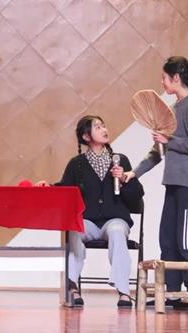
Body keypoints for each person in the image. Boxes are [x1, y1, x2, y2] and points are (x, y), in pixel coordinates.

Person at [124, 56, 188, 310]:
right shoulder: (172, 109)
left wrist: (169, 140)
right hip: (173, 183)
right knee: (168, 238)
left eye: (164, 77)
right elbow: (158, 152)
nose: (162, 82)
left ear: (176, 78)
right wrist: (134, 173)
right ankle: (171, 292)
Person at [37, 115, 143, 308]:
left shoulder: (120, 160)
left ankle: (124, 292)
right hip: (88, 221)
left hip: (114, 219)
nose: (104, 129)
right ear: (86, 136)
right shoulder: (77, 164)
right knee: (75, 230)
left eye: (103, 125)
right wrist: (49, 188)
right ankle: (72, 287)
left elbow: (136, 195)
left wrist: (124, 179)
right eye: (97, 127)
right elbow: (66, 190)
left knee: (117, 231)